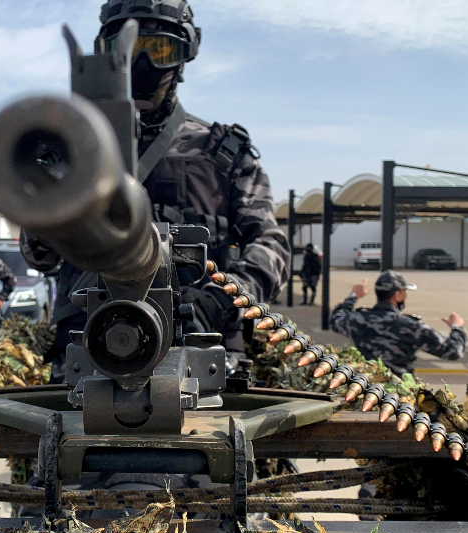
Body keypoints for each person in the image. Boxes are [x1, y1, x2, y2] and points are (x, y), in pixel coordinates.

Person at [22, 0, 290, 381]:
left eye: (160, 48)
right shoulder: (71, 148)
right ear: (107, 52)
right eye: (130, 47)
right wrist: (53, 190)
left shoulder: (221, 153)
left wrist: (221, 300)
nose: (144, 62)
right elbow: (38, 257)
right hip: (89, 349)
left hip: (203, 347)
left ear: (185, 54)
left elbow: (272, 247)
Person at [329, 271, 468, 376]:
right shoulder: (410, 326)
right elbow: (454, 351)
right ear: (397, 295)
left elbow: (335, 320)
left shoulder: (357, 319)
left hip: (365, 389)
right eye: (404, 291)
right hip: (399, 397)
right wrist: (457, 327)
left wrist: (353, 296)